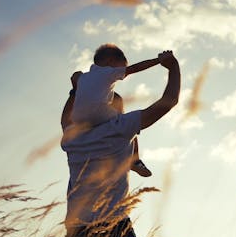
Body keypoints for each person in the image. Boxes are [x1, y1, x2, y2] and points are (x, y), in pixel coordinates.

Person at [59, 49, 181, 237]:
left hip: (77, 231)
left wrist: (77, 88)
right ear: (112, 109)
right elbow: (169, 102)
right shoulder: (118, 128)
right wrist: (173, 67)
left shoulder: (69, 136)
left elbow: (68, 113)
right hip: (113, 228)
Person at [70, 43, 171, 177]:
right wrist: (159, 60)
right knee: (127, 121)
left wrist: (76, 86)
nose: (122, 72)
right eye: (121, 67)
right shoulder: (108, 72)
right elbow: (135, 68)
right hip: (97, 112)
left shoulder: (82, 77)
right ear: (110, 61)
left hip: (77, 119)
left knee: (115, 103)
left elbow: (74, 78)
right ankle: (135, 160)